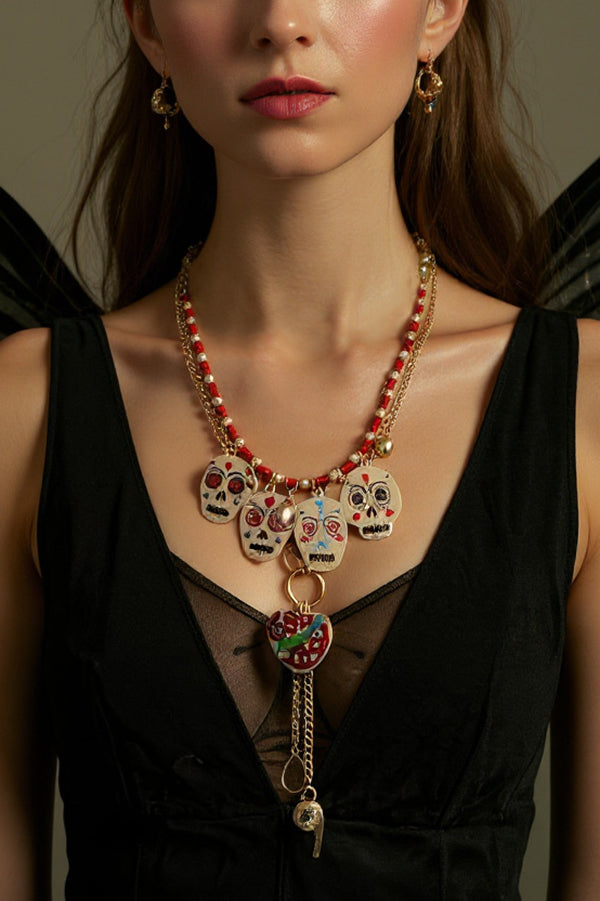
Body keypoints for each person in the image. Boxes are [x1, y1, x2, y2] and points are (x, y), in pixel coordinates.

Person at [0, 0, 599, 898]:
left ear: (440, 11)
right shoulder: (25, 407)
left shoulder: (585, 404)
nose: (281, 20)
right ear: (149, 26)